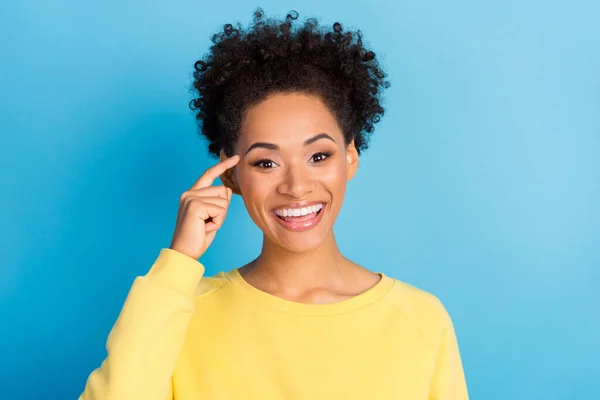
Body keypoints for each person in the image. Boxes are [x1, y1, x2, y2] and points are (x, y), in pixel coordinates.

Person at [79, 8, 469, 400]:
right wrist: (178, 263)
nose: (297, 187)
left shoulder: (419, 319)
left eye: (319, 156)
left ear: (350, 157)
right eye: (266, 162)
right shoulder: (181, 312)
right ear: (230, 174)